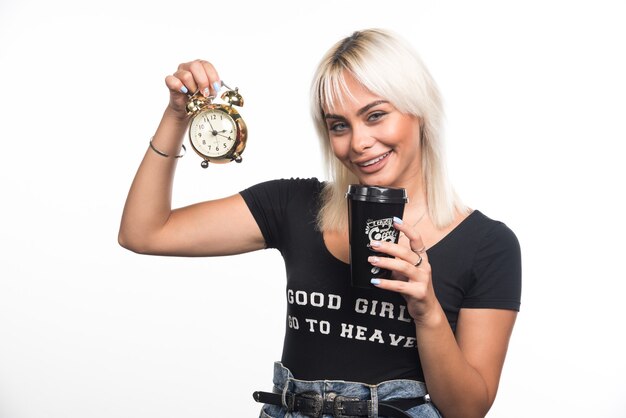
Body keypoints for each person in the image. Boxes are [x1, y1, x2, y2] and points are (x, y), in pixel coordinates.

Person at [119, 28, 521, 418]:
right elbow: (144, 232)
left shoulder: (487, 245)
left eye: (376, 115)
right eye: (339, 125)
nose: (359, 142)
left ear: (419, 111)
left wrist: (427, 310)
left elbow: (467, 409)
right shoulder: (294, 205)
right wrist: (176, 115)